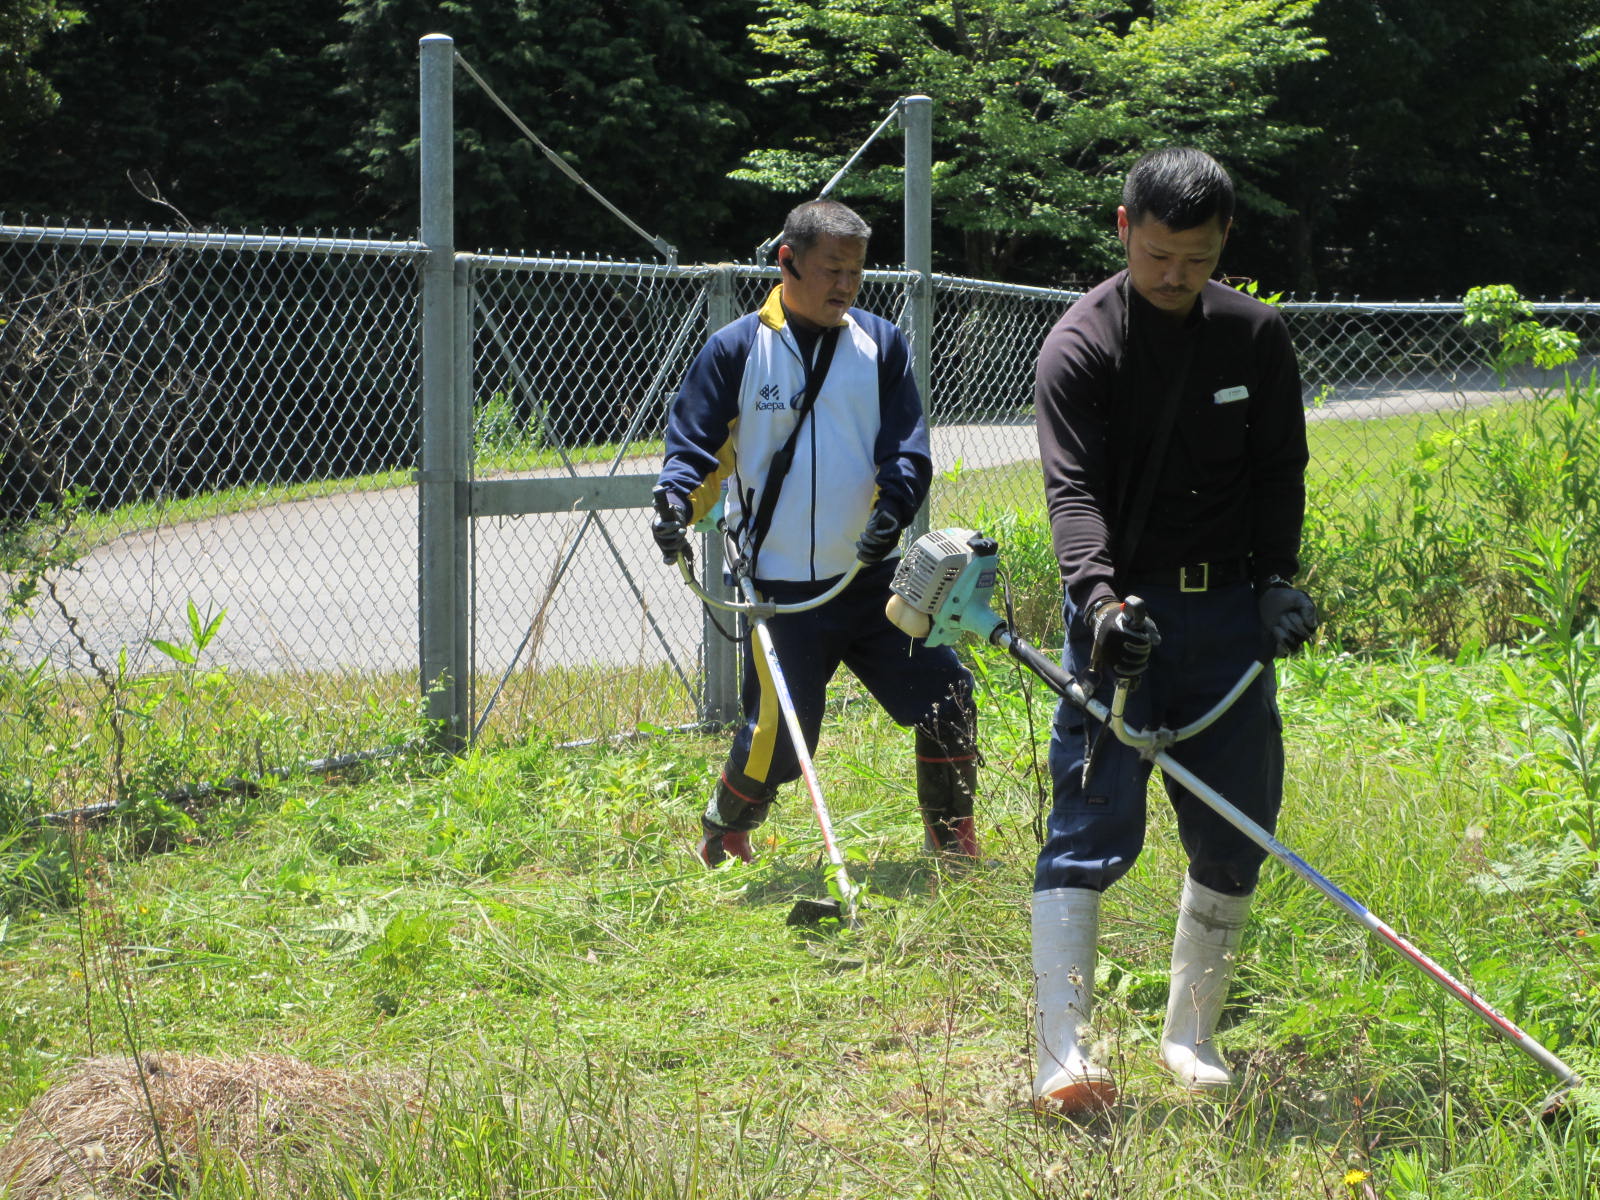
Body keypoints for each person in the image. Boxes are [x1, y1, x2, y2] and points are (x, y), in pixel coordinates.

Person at [1029, 147, 1316, 1113]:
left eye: (1195, 258)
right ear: (1123, 230)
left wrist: (1276, 583)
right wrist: (1100, 604)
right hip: (1122, 616)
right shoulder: (1081, 345)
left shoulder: (1255, 337)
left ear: (1223, 242)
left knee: (1238, 825)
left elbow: (1281, 473)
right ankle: (1062, 1054)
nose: (1174, 277)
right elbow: (1071, 496)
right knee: (1089, 819)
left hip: (1228, 621)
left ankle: (1190, 1036)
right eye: (1157, 256)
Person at [652, 199, 980, 867]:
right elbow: (693, 452)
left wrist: (897, 502)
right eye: (832, 270)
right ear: (787, 261)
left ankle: (952, 845)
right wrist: (673, 508)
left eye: (856, 273)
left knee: (947, 695)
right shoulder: (737, 348)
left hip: (874, 581)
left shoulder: (881, 345)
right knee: (778, 740)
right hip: (780, 591)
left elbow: (906, 449)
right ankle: (724, 824)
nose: (844, 286)